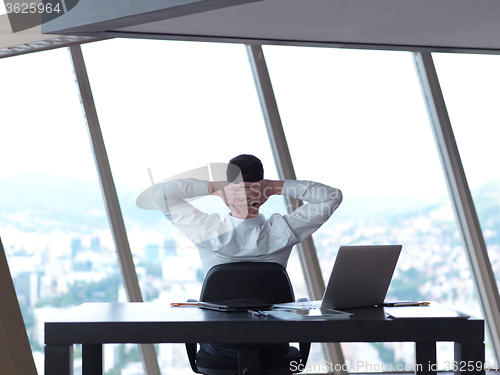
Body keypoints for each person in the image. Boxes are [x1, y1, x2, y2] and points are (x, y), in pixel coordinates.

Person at [151, 154, 342, 357]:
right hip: (274, 345)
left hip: (218, 347)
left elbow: (158, 193)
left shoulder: (206, 231)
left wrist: (216, 188)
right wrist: (275, 187)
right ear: (263, 193)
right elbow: (332, 196)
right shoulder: (283, 232)